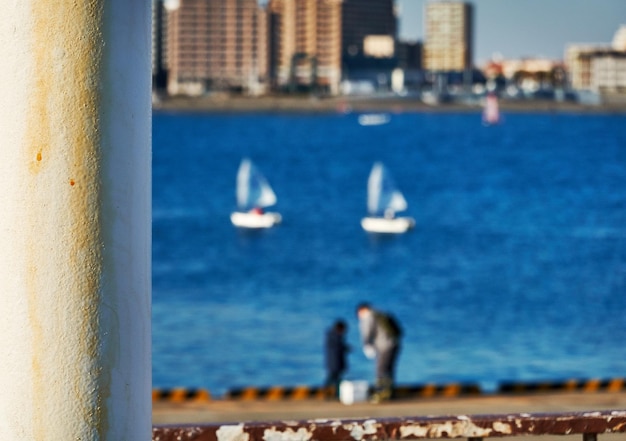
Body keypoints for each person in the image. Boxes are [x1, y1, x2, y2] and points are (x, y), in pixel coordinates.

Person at [356, 302, 402, 403]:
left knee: (380, 369)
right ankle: (390, 392)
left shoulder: (368, 317)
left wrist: (367, 345)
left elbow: (367, 332)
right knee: (389, 369)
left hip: (384, 346)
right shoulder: (380, 313)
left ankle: (381, 394)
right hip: (394, 343)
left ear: (361, 310)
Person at [324, 319, 349, 398]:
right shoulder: (336, 336)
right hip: (335, 363)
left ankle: (333, 394)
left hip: (333, 362)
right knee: (334, 379)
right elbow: (338, 348)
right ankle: (335, 394)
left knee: (333, 379)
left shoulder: (331, 335)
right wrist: (345, 348)